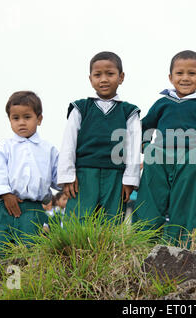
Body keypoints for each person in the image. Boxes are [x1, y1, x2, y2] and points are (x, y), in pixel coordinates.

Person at [133, 50, 196, 246]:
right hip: (157, 157)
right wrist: (145, 146)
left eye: (192, 73)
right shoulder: (162, 103)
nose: (185, 78)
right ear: (170, 77)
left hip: (188, 158)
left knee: (183, 203)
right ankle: (143, 244)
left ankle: (179, 247)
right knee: (150, 200)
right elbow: (143, 127)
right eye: (179, 73)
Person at [57, 51, 141, 223]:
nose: (103, 79)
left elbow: (134, 147)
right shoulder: (80, 108)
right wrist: (68, 175)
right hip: (83, 174)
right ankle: (74, 250)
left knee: (111, 221)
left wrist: (130, 179)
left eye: (110, 74)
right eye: (98, 75)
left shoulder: (129, 111)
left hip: (116, 175)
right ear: (90, 79)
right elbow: (68, 142)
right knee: (78, 221)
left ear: (121, 77)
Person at [0, 91, 60, 257]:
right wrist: (5, 194)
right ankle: (2, 282)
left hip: (34, 208)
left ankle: (23, 282)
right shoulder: (5, 147)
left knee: (29, 249)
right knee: (2, 247)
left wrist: (70, 181)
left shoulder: (48, 149)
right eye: (16, 118)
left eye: (27, 117)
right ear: (10, 120)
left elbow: (59, 177)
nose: (21, 123)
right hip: (6, 207)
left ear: (39, 119)